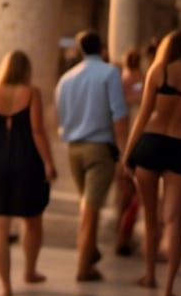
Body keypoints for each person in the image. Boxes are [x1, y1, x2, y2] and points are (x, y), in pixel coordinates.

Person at [124, 30, 181, 296]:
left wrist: (128, 153)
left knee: (151, 218)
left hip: (151, 143)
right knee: (174, 221)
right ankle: (169, 287)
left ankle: (150, 275)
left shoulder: (159, 71)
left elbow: (143, 115)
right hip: (180, 147)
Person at [0, 51, 55, 296]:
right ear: (26, 70)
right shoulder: (32, 93)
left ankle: (5, 286)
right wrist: (48, 162)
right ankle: (30, 271)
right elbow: (37, 130)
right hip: (27, 160)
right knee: (32, 219)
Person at [55, 30, 129, 282]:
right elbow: (119, 115)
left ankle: (90, 254)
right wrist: (124, 152)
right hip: (99, 148)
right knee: (90, 209)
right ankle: (83, 267)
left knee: (87, 207)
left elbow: (60, 115)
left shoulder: (66, 79)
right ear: (102, 48)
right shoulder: (109, 73)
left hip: (74, 149)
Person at [115, 48, 145, 255]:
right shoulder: (139, 79)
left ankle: (123, 233)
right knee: (131, 193)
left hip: (125, 141)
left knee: (125, 193)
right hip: (134, 139)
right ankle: (124, 236)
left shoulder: (121, 80)